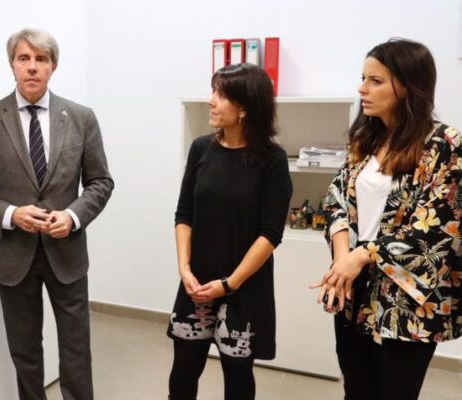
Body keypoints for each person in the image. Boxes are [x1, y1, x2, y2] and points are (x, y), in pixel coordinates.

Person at [0, 28, 114, 400]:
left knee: (76, 350)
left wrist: (72, 217)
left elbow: (100, 183)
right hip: (13, 254)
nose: (32, 67)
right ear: (12, 64)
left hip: (67, 253)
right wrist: (11, 214)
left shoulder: (80, 117)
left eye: (41, 59)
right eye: (24, 58)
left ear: (53, 66)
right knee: (25, 352)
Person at [312, 38, 462, 399]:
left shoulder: (444, 144)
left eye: (375, 80)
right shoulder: (366, 138)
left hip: (408, 298)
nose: (362, 88)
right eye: (363, 78)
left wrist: (362, 255)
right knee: (356, 387)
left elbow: (437, 226)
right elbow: (336, 199)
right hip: (354, 287)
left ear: (408, 86)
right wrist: (343, 258)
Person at [167, 63, 292, 400]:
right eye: (213, 91)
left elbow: (270, 234)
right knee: (183, 372)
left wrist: (229, 284)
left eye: (221, 95)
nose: (211, 101)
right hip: (197, 282)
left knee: (237, 377)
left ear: (245, 108)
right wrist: (184, 269)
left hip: (243, 287)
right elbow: (184, 214)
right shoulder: (201, 148)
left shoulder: (272, 160)